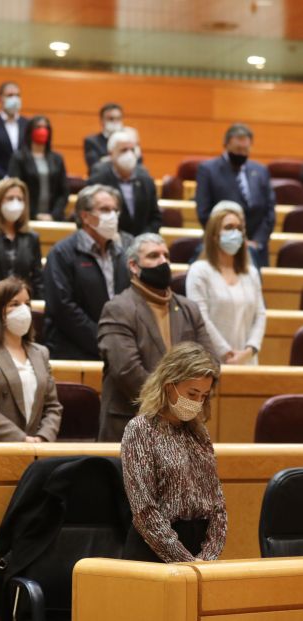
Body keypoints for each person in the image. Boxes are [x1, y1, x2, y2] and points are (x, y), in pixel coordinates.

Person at [97, 233, 215, 442]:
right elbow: (127, 370)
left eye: (166, 256)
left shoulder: (189, 308)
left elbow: (211, 362)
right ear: (133, 266)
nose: (163, 261)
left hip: (184, 425)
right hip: (131, 424)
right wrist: (171, 406)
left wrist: (184, 406)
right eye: (153, 256)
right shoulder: (117, 309)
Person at [121, 341, 227, 563]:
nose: (198, 402)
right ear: (169, 387)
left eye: (204, 396)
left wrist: (207, 558)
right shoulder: (140, 430)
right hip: (153, 554)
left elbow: (218, 504)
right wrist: (185, 562)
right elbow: (144, 511)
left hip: (199, 553)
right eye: (192, 393)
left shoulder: (200, 433)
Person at [0, 277, 62, 442]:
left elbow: (53, 406)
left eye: (27, 304)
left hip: (36, 451)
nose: (24, 310)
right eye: (15, 304)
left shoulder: (41, 352)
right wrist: (21, 439)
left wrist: (43, 438)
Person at [43, 184, 131, 360]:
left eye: (115, 210)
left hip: (118, 349)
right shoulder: (62, 253)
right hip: (73, 350)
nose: (112, 216)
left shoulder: (121, 253)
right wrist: (103, 341)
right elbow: (63, 308)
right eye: (105, 209)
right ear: (85, 216)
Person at [186, 201, 266, 365]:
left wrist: (249, 350)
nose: (235, 233)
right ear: (214, 235)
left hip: (248, 360)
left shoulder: (250, 272)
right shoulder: (199, 271)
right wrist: (227, 353)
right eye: (229, 227)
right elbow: (201, 318)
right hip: (211, 361)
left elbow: (260, 315)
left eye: (239, 228)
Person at [195, 123, 275, 267]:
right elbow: (204, 212)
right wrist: (231, 238)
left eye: (246, 149)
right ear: (226, 145)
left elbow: (269, 212)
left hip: (256, 249)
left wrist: (256, 242)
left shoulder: (261, 170)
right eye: (238, 149)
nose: (242, 153)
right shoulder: (208, 170)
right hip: (222, 246)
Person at [88, 129, 161, 237]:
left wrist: (142, 240)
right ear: (111, 154)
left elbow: (155, 218)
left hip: (141, 245)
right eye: (124, 150)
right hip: (110, 242)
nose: (129, 154)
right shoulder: (97, 181)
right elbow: (91, 216)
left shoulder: (146, 181)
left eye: (132, 150)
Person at [7, 115, 69, 221]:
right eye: (38, 127)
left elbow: (63, 191)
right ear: (30, 131)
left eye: (46, 128)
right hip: (25, 217)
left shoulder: (57, 159)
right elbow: (16, 189)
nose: (42, 131)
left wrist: (53, 215)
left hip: (53, 218)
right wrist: (34, 215)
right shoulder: (19, 158)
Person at [83, 102, 124, 175]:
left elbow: (138, 164)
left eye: (118, 119)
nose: (115, 122)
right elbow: (94, 166)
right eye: (111, 119)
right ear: (102, 120)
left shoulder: (128, 141)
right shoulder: (92, 141)